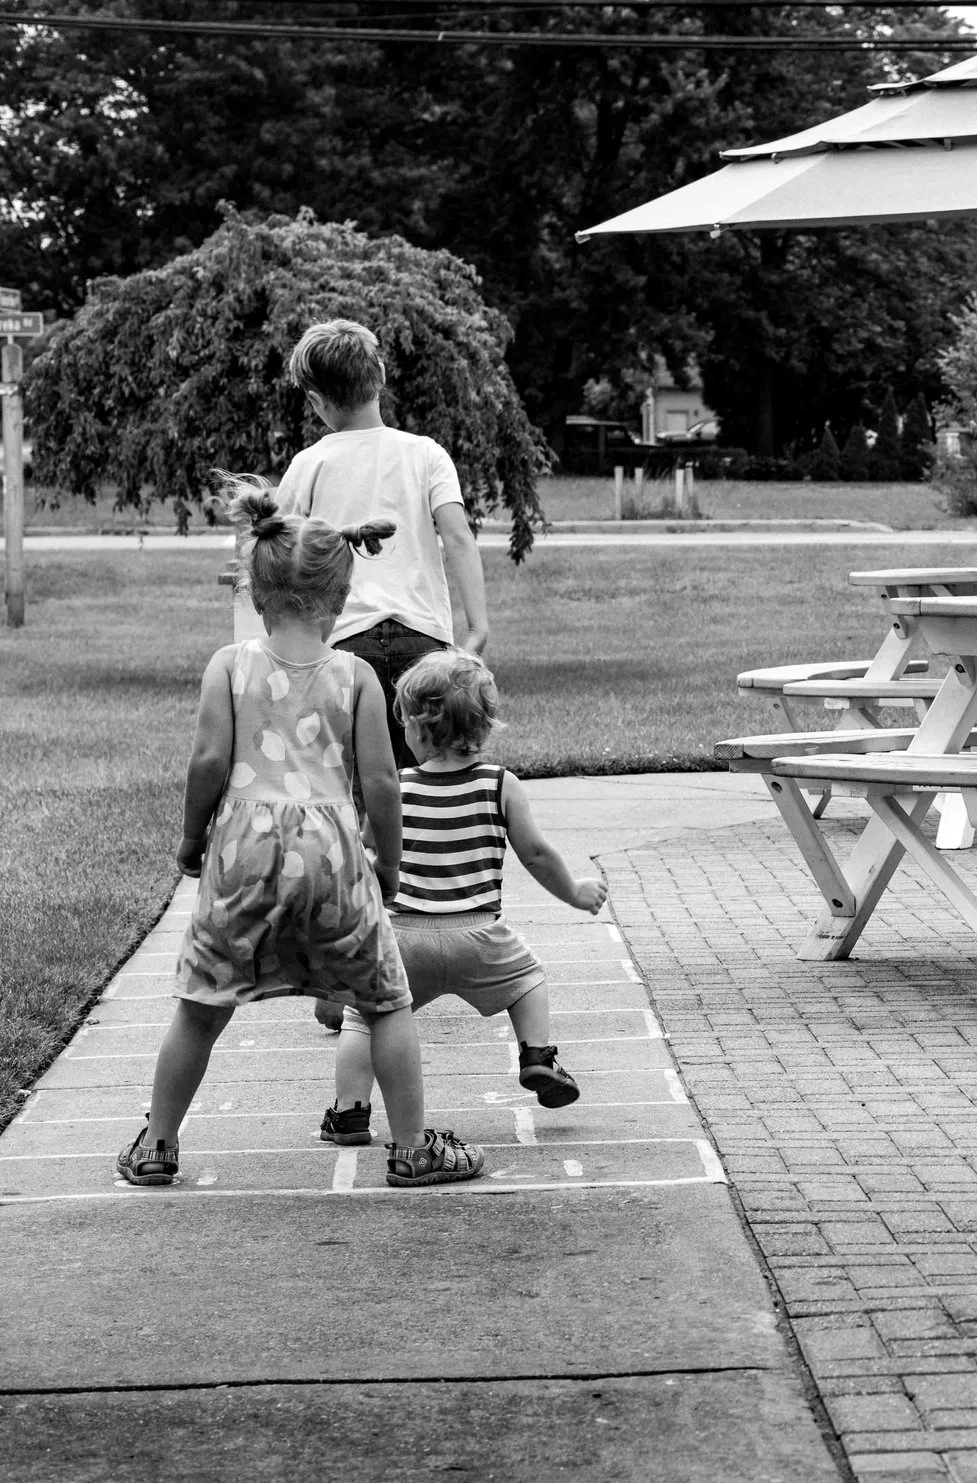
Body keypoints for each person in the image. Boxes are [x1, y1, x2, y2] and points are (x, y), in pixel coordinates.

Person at [118, 484, 485, 1190]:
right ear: (341, 600)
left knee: (201, 1004)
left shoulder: (230, 665)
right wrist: (390, 862)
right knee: (384, 1000)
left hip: (243, 850)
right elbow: (380, 783)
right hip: (332, 850)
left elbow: (207, 763)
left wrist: (192, 840)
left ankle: (158, 1144)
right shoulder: (357, 676)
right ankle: (412, 1147)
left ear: (257, 596)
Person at [319, 651, 608, 1148]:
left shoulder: (399, 790)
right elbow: (537, 854)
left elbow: (367, 856)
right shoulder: (501, 786)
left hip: (404, 936)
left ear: (417, 728)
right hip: (480, 935)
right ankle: (537, 1054)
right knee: (529, 981)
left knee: (363, 1020)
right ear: (484, 726)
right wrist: (576, 892)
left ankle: (349, 1113)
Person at [277, 319, 489, 770]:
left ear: (315, 400)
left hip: (343, 641)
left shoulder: (307, 464)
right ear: (382, 376)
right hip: (425, 641)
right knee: (427, 774)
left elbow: (282, 556)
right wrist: (477, 627)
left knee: (357, 780)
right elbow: (458, 538)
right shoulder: (426, 453)